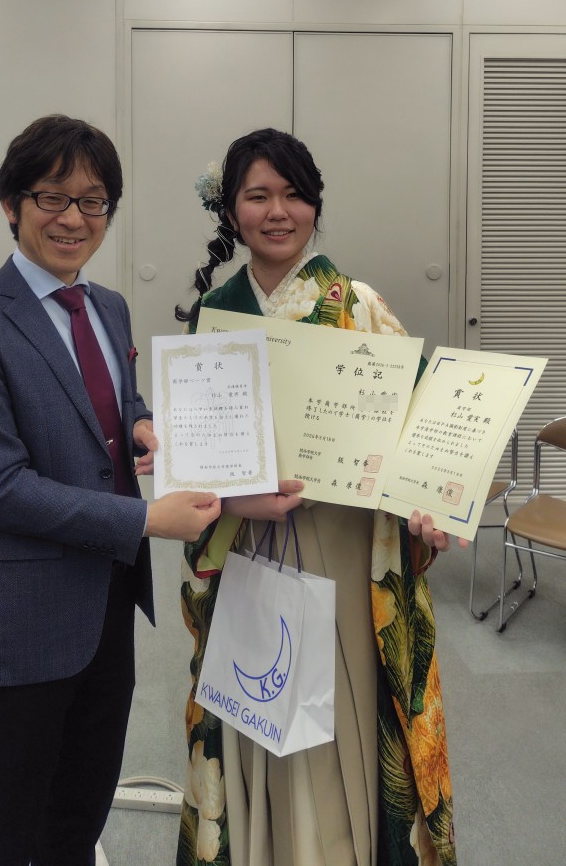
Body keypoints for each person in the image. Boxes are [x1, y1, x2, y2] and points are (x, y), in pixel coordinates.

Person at [0, 114, 220, 866]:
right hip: (22, 616)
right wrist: (145, 520)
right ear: (11, 204)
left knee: (79, 813)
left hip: (108, 603)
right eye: (52, 197)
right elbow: (1, 489)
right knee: (3, 825)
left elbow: (114, 403)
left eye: (93, 202)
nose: (73, 219)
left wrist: (142, 422)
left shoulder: (108, 306)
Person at [175, 128, 464, 866]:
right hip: (249, 538)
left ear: (315, 205)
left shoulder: (360, 306)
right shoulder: (217, 310)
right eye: (258, 196)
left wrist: (430, 501)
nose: (278, 212)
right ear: (230, 211)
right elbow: (199, 452)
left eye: (294, 195)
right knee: (256, 694)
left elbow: (420, 428)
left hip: (345, 542)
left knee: (340, 704)